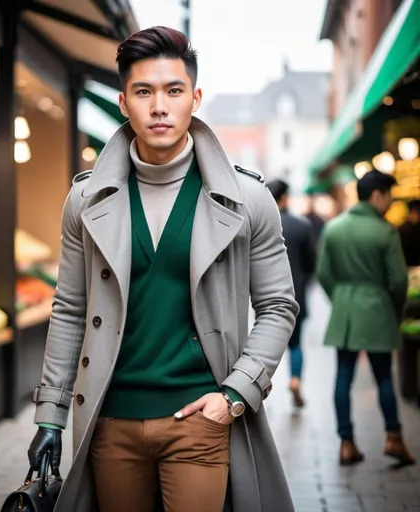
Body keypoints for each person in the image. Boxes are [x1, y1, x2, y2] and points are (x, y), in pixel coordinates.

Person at [27, 26, 299, 512]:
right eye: (143, 91)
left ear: (194, 98)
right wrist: (51, 414)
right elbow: (69, 309)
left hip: (200, 419)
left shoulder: (247, 198)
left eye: (174, 91)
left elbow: (278, 306)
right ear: (123, 101)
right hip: (111, 420)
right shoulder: (86, 199)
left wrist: (235, 393)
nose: (159, 106)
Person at [316, 169, 416, 467]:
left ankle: (346, 443)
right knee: (384, 376)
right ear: (377, 195)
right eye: (389, 196)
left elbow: (323, 274)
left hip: (344, 311)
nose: (390, 202)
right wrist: (394, 310)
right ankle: (394, 437)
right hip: (378, 308)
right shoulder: (385, 231)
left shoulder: (333, 228)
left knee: (343, 377)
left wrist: (341, 299)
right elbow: (398, 281)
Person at [268, 179, 316, 408]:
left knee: (268, 342)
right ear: (285, 197)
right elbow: (311, 263)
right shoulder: (302, 226)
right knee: (296, 344)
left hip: (266, 298)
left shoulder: (262, 225)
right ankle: (295, 380)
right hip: (296, 295)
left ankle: (260, 387)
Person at [398, 199, 420, 267]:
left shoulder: (402, 229)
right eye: (413, 213)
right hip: (406, 265)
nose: (415, 216)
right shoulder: (403, 230)